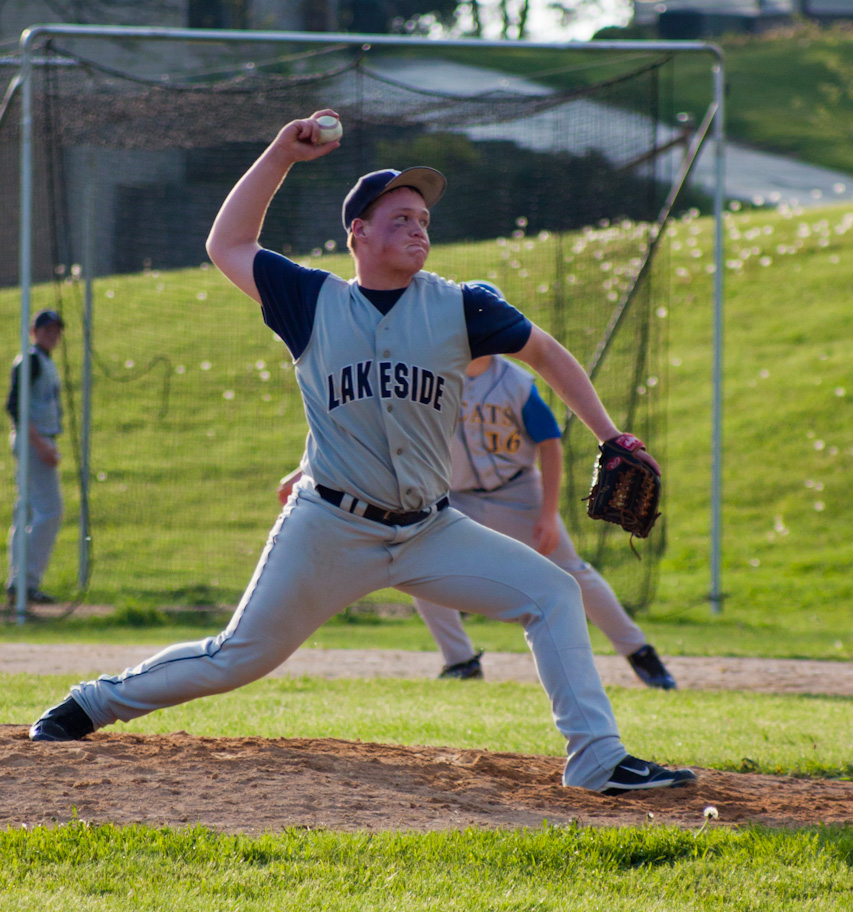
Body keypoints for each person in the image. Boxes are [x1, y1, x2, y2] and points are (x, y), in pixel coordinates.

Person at [29, 108, 695, 796]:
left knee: (553, 592)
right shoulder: (309, 299)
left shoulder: (461, 306)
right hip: (330, 526)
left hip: (431, 530)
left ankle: (596, 760)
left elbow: (546, 353)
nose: (418, 228)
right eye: (400, 217)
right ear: (359, 233)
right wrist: (280, 156)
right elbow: (227, 243)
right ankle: (91, 704)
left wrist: (610, 435)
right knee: (237, 658)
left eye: (424, 220)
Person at [411, 350, 677, 689]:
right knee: (418, 565)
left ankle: (638, 650)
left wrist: (548, 514)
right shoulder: (435, 374)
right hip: (456, 496)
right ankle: (460, 660)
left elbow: (550, 444)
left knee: (573, 572)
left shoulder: (515, 382)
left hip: (518, 493)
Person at [6, 308, 65, 606]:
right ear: (33, 331)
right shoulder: (30, 360)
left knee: (27, 511)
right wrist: (41, 445)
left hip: (36, 439)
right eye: (46, 329)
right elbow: (15, 406)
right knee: (50, 511)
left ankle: (19, 582)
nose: (52, 335)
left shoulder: (43, 361)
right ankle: (25, 582)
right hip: (33, 440)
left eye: (56, 330)